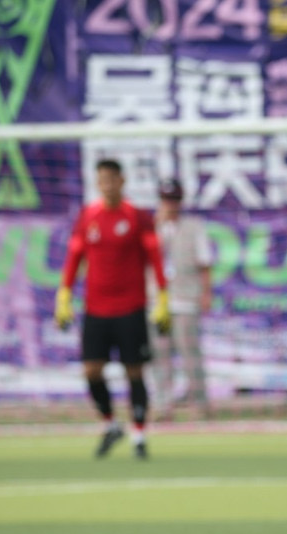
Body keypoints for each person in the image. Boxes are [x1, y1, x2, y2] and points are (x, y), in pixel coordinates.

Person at [55, 159, 170, 459]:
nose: (106, 185)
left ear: (121, 181)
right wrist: (64, 295)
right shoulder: (88, 216)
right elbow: (74, 258)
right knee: (91, 370)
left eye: (111, 179)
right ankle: (110, 424)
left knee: (135, 371)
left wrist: (162, 297)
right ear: (97, 183)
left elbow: (155, 258)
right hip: (96, 309)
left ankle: (139, 435)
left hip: (131, 307)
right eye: (101, 180)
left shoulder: (137, 217)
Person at [150, 178, 215, 418]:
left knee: (190, 355)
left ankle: (199, 403)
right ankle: (163, 405)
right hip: (157, 301)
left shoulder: (193, 227)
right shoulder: (151, 228)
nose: (170, 204)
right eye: (166, 199)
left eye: (174, 199)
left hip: (186, 298)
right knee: (159, 356)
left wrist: (206, 293)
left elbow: (205, 263)